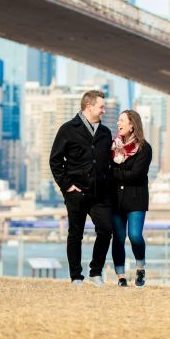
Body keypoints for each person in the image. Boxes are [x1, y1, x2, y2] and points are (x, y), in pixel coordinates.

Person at [49, 90, 113, 287]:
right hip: (76, 193)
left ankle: (96, 272)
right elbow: (55, 160)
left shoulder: (105, 133)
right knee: (75, 234)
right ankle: (76, 276)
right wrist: (67, 186)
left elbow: (108, 163)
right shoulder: (68, 129)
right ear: (89, 106)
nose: (104, 111)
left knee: (106, 229)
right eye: (101, 107)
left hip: (99, 193)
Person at [111, 110, 152, 287]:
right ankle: (120, 276)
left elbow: (136, 175)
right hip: (115, 199)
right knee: (118, 238)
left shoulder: (144, 148)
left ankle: (140, 268)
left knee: (135, 236)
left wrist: (114, 171)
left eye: (122, 121)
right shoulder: (112, 147)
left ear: (132, 124)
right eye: (118, 121)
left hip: (136, 199)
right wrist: (119, 173)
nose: (118, 124)